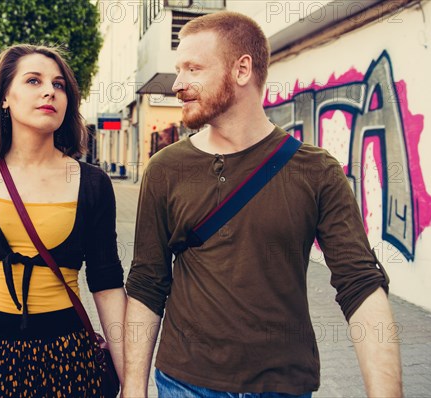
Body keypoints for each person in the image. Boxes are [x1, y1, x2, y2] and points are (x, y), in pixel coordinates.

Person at [123, 11, 402, 398]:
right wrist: (133, 388)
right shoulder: (165, 169)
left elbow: (361, 285)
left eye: (193, 68)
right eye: (178, 69)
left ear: (241, 70)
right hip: (184, 382)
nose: (179, 84)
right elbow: (147, 283)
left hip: (283, 385)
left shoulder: (317, 171)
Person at [0, 44, 126, 398]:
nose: (50, 91)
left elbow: (106, 282)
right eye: (34, 80)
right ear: (4, 98)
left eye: (59, 85)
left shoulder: (92, 183)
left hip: (67, 355)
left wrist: (131, 382)